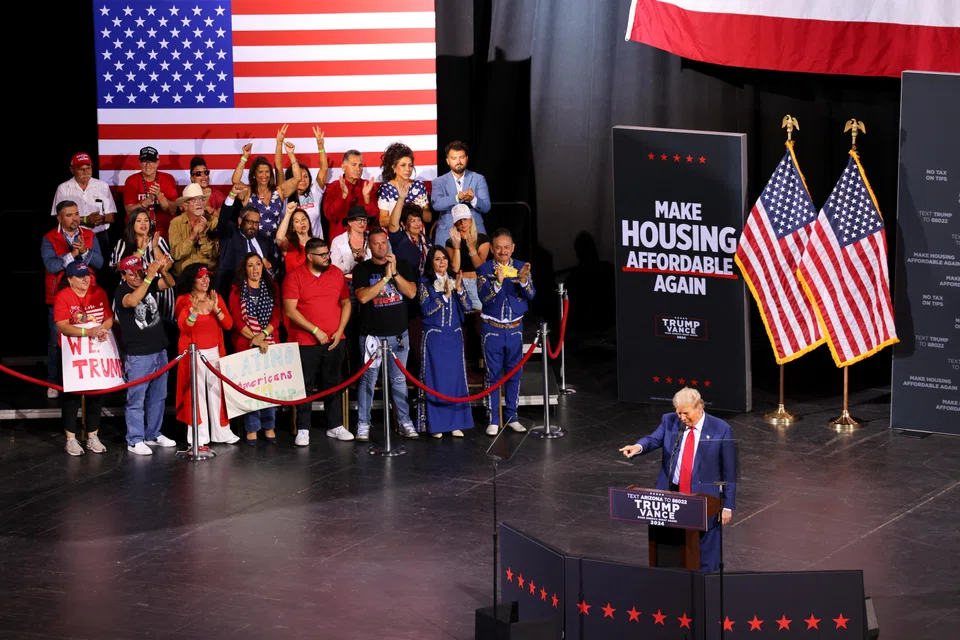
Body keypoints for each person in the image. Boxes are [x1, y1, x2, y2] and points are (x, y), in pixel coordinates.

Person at [618, 387, 737, 572]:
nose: (681, 417)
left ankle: (708, 585)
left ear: (699, 407)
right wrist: (638, 447)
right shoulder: (669, 421)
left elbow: (729, 471)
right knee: (671, 547)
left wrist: (727, 506)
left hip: (705, 498)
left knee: (707, 551)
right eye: (678, 412)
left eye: (685, 413)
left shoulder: (720, 429)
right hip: (673, 493)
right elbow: (654, 439)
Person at [283, 238, 352, 446]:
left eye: (327, 254)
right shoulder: (294, 276)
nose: (327, 258)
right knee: (305, 385)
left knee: (333, 382)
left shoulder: (336, 274)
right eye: (322, 255)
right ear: (310, 256)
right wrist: (315, 330)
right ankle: (303, 428)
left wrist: (339, 330)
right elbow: (289, 310)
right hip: (305, 341)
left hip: (334, 339)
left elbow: (346, 303)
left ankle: (335, 425)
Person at [352, 228, 419, 441]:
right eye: (376, 244)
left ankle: (404, 421)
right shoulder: (362, 269)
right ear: (369, 246)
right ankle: (363, 423)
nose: (381, 247)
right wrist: (384, 279)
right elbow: (362, 297)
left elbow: (410, 293)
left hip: (398, 335)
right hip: (372, 337)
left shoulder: (403, 266)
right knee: (368, 380)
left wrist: (395, 273)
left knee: (399, 380)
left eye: (384, 243)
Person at [113, 255, 177, 455]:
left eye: (140, 271)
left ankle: (153, 434)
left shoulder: (147, 282)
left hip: (159, 350)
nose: (138, 276)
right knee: (136, 399)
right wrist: (148, 278)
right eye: (133, 274)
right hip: (139, 354)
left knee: (158, 396)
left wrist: (162, 270)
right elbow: (132, 302)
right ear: (124, 275)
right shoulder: (121, 291)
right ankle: (134, 440)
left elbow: (170, 283)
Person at [41, 201, 104, 398]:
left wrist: (85, 252)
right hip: (59, 297)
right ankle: (53, 382)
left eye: (77, 214)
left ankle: (88, 379)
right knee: (55, 341)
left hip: (87, 296)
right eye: (69, 215)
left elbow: (100, 263)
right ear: (59, 218)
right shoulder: (49, 237)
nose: (75, 218)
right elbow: (51, 266)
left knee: (89, 336)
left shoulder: (89, 235)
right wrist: (72, 255)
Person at [476, 229, 534, 436]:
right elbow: (485, 299)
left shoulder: (521, 267)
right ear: (492, 248)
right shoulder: (484, 269)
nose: (503, 251)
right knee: (492, 375)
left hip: (515, 329)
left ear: (513, 248)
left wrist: (524, 281)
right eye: (498, 247)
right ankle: (493, 418)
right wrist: (498, 283)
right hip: (493, 329)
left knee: (514, 374)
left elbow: (531, 295)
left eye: (506, 247)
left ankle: (512, 416)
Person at [174, 264, 239, 446]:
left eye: (207, 277)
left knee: (217, 394)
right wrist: (193, 312)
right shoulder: (183, 301)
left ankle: (222, 433)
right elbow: (184, 327)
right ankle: (199, 437)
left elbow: (228, 325)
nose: (205, 280)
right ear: (191, 280)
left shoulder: (215, 297)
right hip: (193, 355)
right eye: (201, 277)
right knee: (197, 396)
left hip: (215, 354)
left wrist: (216, 309)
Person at [53, 262, 112, 456]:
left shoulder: (99, 292)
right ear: (70, 280)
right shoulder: (63, 296)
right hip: (73, 352)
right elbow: (62, 326)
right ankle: (71, 439)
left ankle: (92, 436)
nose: (86, 279)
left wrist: (103, 329)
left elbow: (108, 317)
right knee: (72, 396)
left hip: (95, 350)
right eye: (80, 276)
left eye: (87, 274)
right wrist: (88, 331)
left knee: (96, 393)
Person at [417, 247, 473, 438]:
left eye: (444, 259)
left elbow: (467, 308)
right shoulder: (425, 282)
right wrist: (444, 297)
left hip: (454, 338)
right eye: (437, 259)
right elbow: (426, 310)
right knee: (436, 381)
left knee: (454, 380)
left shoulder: (454, 279)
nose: (442, 262)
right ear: (431, 262)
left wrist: (459, 290)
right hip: (435, 338)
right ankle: (436, 425)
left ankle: (455, 423)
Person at [229, 253, 282, 445]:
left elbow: (277, 317)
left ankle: (269, 425)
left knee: (268, 386)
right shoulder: (237, 290)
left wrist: (263, 335)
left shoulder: (272, 287)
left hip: (269, 342)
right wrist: (256, 338)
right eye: (250, 265)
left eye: (258, 264)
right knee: (252, 387)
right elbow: (235, 320)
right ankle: (251, 428)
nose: (255, 269)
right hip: (246, 342)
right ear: (245, 269)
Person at [232, 126, 302, 239]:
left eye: (267, 172)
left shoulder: (278, 191)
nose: (264, 175)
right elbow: (235, 181)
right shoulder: (247, 192)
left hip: (275, 246)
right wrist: (244, 157)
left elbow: (297, 178)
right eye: (260, 172)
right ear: (254, 174)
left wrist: (290, 154)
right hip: (253, 246)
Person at [110, 207, 175, 320]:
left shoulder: (158, 240)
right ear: (132, 224)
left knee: (160, 325)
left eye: (146, 220)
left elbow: (166, 266)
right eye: (139, 221)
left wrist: (154, 247)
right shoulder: (122, 243)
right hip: (131, 289)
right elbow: (121, 266)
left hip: (158, 287)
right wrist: (142, 249)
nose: (143, 223)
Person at [50, 152, 117, 258]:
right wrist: (85, 220)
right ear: (72, 170)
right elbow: (59, 217)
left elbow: (112, 216)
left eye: (88, 168)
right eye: (81, 169)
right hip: (74, 237)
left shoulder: (102, 186)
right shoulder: (63, 188)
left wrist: (102, 219)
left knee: (102, 270)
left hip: (100, 237)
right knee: (76, 270)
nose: (86, 172)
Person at [431, 141, 490, 242]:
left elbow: (486, 206)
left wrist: (473, 200)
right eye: (454, 158)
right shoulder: (439, 182)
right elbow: (437, 204)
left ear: (466, 159)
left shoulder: (478, 179)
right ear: (447, 161)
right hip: (447, 233)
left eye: (461, 157)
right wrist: (457, 197)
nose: (458, 161)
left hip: (475, 232)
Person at [216, 204, 277, 298]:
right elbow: (223, 220)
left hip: (262, 293)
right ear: (240, 221)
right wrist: (232, 195)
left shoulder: (263, 240)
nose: (253, 226)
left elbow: (273, 261)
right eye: (250, 222)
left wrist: (269, 265)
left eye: (256, 223)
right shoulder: (230, 234)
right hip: (235, 292)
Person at [123, 146, 178, 239]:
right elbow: (129, 211)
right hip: (139, 234)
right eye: (144, 161)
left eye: (151, 161)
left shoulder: (168, 179)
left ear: (157, 162)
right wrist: (149, 200)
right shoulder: (131, 180)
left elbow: (172, 210)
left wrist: (159, 195)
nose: (148, 165)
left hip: (165, 233)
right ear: (140, 162)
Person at [284, 125, 328, 239]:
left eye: (306, 176)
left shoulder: (315, 191)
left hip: (316, 246)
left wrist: (321, 147)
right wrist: (289, 153)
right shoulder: (284, 196)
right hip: (294, 248)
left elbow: (323, 169)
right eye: (299, 177)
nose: (303, 180)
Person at [323, 150, 378, 241]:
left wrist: (367, 198)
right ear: (343, 167)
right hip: (340, 241)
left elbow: (375, 219)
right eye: (354, 165)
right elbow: (331, 216)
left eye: (360, 165)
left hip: (365, 241)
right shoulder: (333, 187)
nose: (358, 169)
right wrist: (343, 196)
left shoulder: (368, 186)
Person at [445, 204, 490, 311]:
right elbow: (455, 268)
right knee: (462, 316)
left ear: (470, 219)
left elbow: (479, 266)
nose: (462, 223)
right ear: (455, 222)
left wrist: (472, 249)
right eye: (459, 220)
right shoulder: (450, 242)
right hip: (461, 283)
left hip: (478, 282)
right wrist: (457, 247)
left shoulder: (482, 239)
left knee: (480, 315)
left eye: (465, 219)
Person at [377, 142, 431, 229]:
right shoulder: (386, 188)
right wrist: (405, 213)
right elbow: (383, 221)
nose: (408, 169)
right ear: (394, 167)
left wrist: (419, 210)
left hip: (417, 235)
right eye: (403, 165)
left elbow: (428, 218)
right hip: (395, 236)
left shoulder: (419, 186)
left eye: (410, 165)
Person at [168, 183, 219, 276]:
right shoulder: (175, 223)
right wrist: (192, 236)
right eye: (194, 201)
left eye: (201, 200)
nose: (199, 203)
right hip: (184, 275)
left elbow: (213, 254)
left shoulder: (213, 222)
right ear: (185, 205)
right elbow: (176, 254)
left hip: (207, 274)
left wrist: (203, 236)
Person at [387, 203, 432, 276]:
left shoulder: (428, 241)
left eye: (419, 220)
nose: (417, 224)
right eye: (413, 221)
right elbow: (393, 224)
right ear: (403, 224)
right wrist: (401, 199)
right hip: (406, 282)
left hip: (426, 282)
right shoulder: (399, 239)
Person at [276, 203, 314, 274]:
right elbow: (279, 238)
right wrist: (288, 213)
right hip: (293, 284)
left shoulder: (317, 243)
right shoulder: (289, 246)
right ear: (293, 227)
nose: (302, 223)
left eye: (304, 219)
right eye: (297, 221)